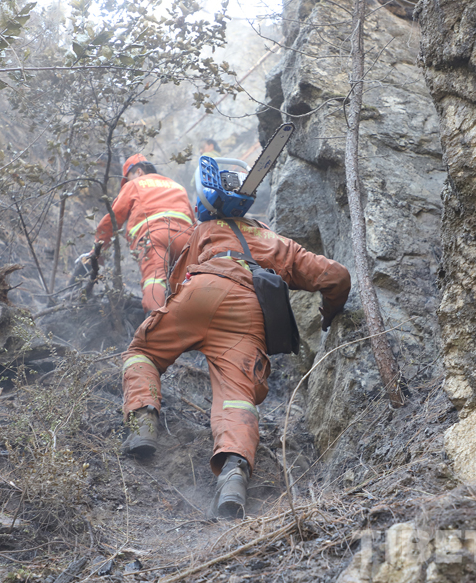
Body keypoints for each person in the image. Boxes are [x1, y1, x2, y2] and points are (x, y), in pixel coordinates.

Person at [120, 215, 351, 518]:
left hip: (200, 291)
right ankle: (233, 476)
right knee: (237, 398)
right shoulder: (276, 242)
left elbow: (177, 282)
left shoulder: (206, 229)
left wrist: (183, 323)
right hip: (246, 313)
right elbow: (337, 276)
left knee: (143, 352)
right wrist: (329, 313)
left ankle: (143, 421)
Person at [93, 154, 195, 313]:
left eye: (127, 178)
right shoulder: (177, 186)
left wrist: (98, 248)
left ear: (138, 172)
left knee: (154, 280)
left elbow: (113, 218)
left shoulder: (134, 184)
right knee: (187, 285)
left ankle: (156, 324)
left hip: (154, 237)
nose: (127, 183)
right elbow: (193, 220)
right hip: (186, 239)